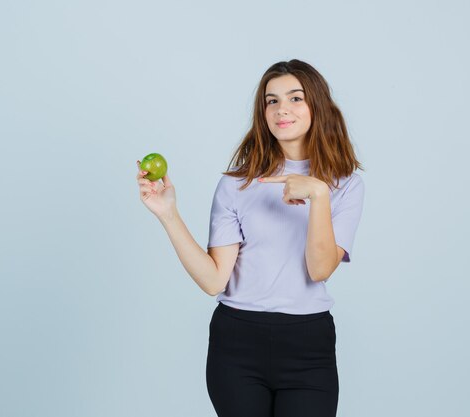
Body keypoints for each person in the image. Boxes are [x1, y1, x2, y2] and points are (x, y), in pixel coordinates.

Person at [135, 59, 364, 417]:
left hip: (308, 344)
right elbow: (213, 280)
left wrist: (318, 195)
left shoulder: (344, 184)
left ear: (317, 105)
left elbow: (320, 270)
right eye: (271, 101)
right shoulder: (237, 183)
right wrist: (168, 214)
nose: (281, 109)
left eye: (295, 98)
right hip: (237, 342)